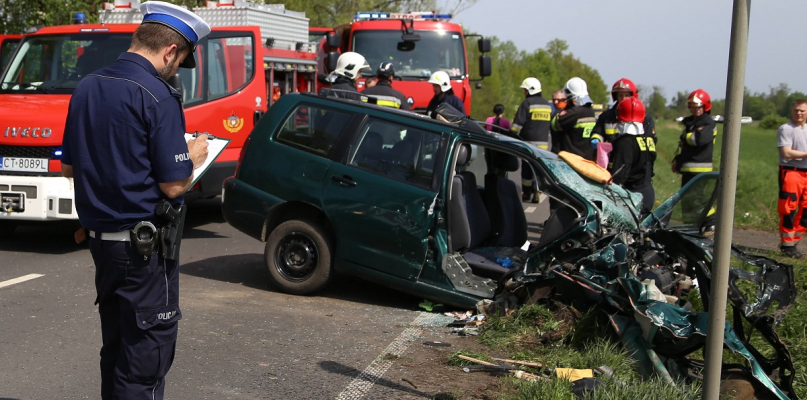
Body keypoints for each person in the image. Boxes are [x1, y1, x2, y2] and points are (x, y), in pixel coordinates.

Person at [60, 2, 211, 398]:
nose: (175, 71)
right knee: (143, 365)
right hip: (144, 254)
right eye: (178, 63)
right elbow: (175, 186)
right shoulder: (158, 95)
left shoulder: (88, 86)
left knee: (115, 353)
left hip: (102, 245)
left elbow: (70, 169)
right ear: (170, 52)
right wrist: (193, 157)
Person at [671, 88, 717, 236]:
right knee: (687, 199)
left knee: (697, 198)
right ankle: (691, 226)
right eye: (693, 107)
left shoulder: (709, 123)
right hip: (687, 168)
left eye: (699, 107)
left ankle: (711, 220)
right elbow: (685, 147)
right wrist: (678, 161)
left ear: (705, 107)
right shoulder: (691, 123)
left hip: (700, 169)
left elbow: (699, 140)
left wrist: (686, 136)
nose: (696, 110)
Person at [608, 97, 656, 215]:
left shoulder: (625, 141)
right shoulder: (648, 139)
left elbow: (621, 172)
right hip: (647, 192)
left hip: (632, 196)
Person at [512, 77, 552, 201]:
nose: (524, 93)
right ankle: (537, 191)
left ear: (530, 90)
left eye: (525, 90)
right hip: (543, 145)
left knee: (527, 169)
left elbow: (518, 124)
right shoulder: (547, 104)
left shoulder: (527, 103)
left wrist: (511, 135)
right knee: (539, 169)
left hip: (528, 143)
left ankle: (527, 192)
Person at [777, 99, 807, 257]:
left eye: (802, 110)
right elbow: (786, 153)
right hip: (791, 172)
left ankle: (793, 242)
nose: (799, 113)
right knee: (788, 208)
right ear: (792, 111)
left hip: (806, 173)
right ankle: (787, 246)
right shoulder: (786, 129)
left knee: (806, 210)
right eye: (796, 110)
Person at [592, 78, 656, 143]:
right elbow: (598, 133)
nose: (623, 99)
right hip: (612, 152)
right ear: (616, 97)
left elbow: (651, 140)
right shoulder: (606, 116)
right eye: (620, 95)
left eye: (626, 95)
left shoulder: (645, 117)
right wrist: (597, 139)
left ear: (633, 96)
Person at [551, 77, 600, 161]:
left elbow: (554, 124)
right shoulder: (590, 111)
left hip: (571, 161)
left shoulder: (573, 113)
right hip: (586, 160)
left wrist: (559, 108)